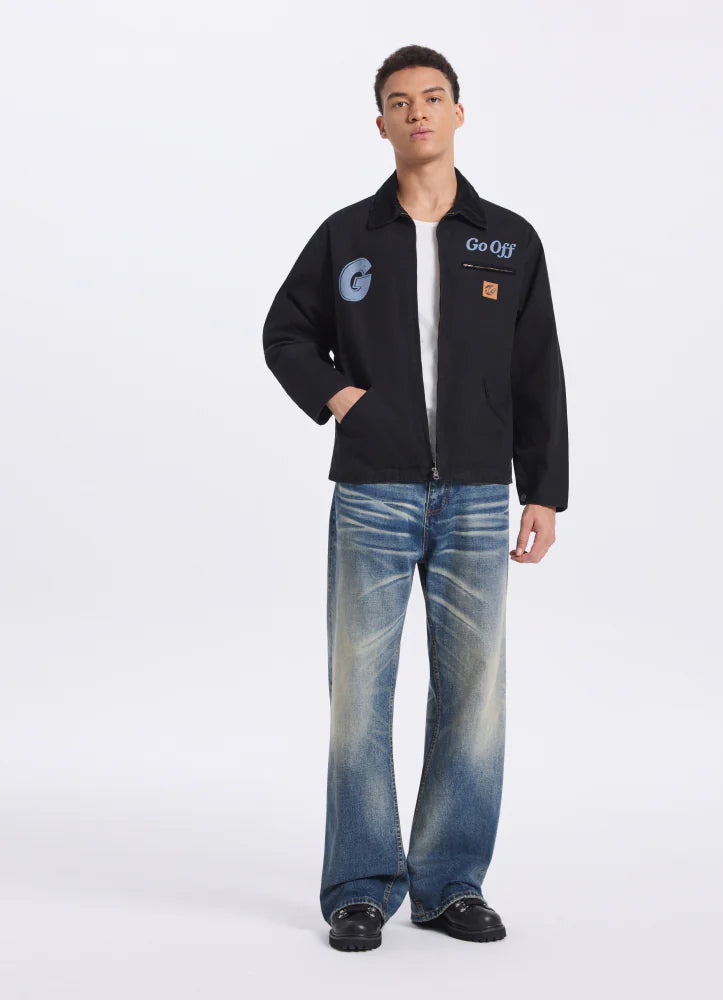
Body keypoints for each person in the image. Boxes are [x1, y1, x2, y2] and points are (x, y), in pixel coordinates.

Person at [262, 44, 569, 951]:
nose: (419, 113)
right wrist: (342, 398)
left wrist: (544, 490)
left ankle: (448, 884)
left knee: (473, 694)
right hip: (373, 491)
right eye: (400, 102)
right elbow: (285, 331)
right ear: (382, 123)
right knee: (360, 694)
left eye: (433, 98)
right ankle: (360, 887)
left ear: (458, 113)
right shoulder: (347, 236)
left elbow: (538, 368)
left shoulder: (509, 240)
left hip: (477, 495)